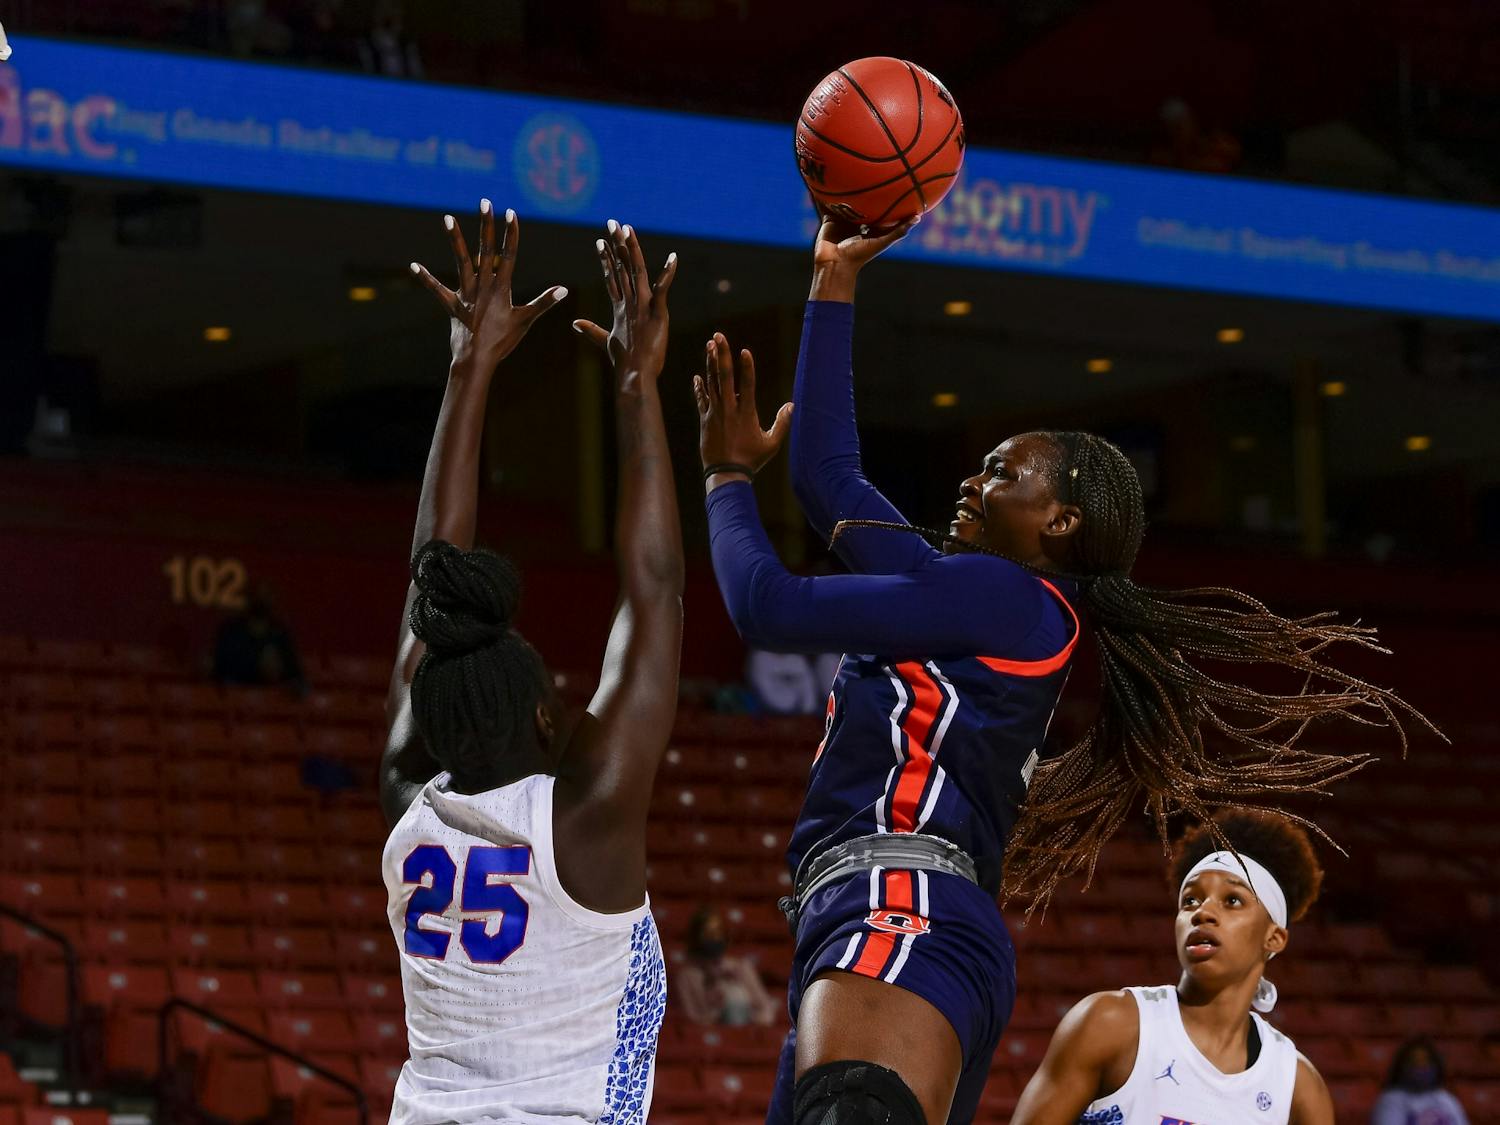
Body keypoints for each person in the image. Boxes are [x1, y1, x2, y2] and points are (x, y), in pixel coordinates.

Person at [691, 213, 1434, 1125]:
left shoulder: (1009, 601)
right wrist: (834, 276)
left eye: (1004, 472)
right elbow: (826, 479)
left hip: (902, 905)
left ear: (1061, 523)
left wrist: (727, 479)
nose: (974, 478)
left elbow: (766, 605)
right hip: (891, 913)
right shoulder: (972, 594)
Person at [380, 203, 682, 1124]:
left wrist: (470, 369)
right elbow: (658, 586)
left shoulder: (409, 803)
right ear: (550, 722)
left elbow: (439, 573)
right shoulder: (585, 816)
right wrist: (636, 381)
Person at [1010, 810, 1334, 1123]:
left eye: (1232, 900)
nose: (1202, 913)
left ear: (1274, 937)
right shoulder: (1111, 1024)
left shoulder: (1297, 1088)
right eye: (1190, 900)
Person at [677, 907, 779, 1028]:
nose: (714, 938)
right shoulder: (687, 976)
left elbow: (766, 1010)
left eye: (717, 932)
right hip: (710, 1034)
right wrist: (716, 1009)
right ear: (697, 937)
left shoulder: (741, 968)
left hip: (747, 1029)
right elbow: (692, 1019)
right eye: (708, 933)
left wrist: (747, 1016)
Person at [211, 585, 307, 693]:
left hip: (275, 703)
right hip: (235, 700)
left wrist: (279, 672)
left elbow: (297, 675)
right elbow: (219, 669)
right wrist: (256, 667)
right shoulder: (231, 631)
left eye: (266, 597)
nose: (262, 600)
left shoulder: (280, 633)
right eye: (258, 596)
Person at [1373, 1037, 1471, 1125]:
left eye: (1426, 1062)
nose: (1422, 1067)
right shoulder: (1391, 1100)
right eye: (1415, 1062)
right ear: (1402, 1067)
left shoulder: (1446, 1099)